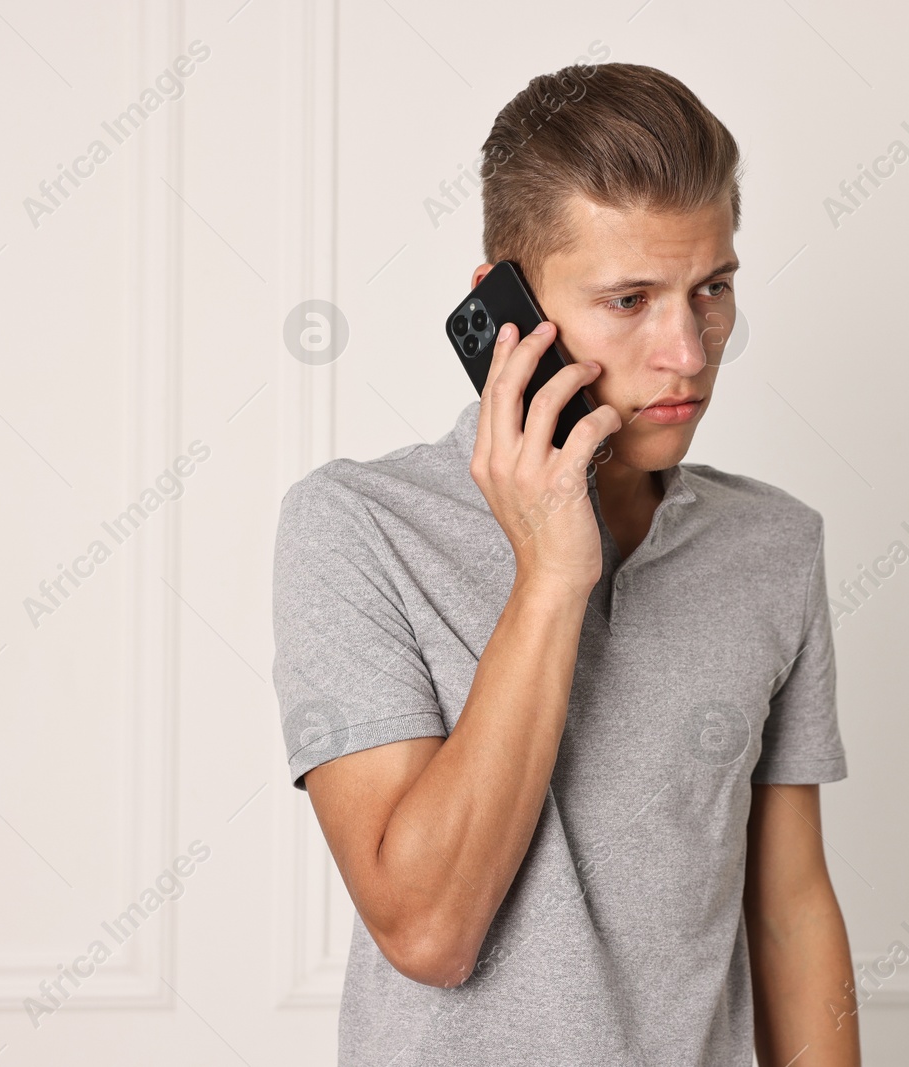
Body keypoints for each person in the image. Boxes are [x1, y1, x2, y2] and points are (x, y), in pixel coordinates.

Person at [272, 60, 859, 1067]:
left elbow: (791, 911)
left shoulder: (774, 545)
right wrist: (550, 573)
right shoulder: (355, 527)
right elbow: (427, 929)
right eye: (628, 299)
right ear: (506, 313)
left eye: (711, 288)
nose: (687, 349)